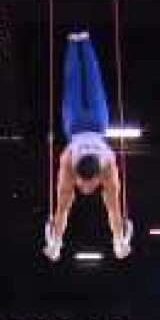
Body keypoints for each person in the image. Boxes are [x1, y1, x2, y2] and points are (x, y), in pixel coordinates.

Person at [44, 31, 133, 262]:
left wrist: (54, 241)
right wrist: (119, 239)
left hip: (73, 124)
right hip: (98, 122)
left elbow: (113, 211)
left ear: (96, 178)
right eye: (84, 184)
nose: (84, 188)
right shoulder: (71, 167)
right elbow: (63, 209)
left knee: (72, 81)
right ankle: (86, 41)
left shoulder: (103, 170)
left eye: (84, 184)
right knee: (94, 81)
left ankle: (74, 43)